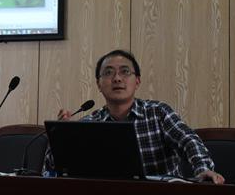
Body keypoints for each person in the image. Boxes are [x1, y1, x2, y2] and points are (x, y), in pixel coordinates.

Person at [44, 49, 225, 184]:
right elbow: (52, 170)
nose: (117, 78)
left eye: (125, 72)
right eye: (108, 72)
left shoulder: (158, 113)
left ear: (137, 81)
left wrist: (203, 169)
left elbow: (188, 141)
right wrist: (61, 137)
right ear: (98, 84)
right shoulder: (89, 123)